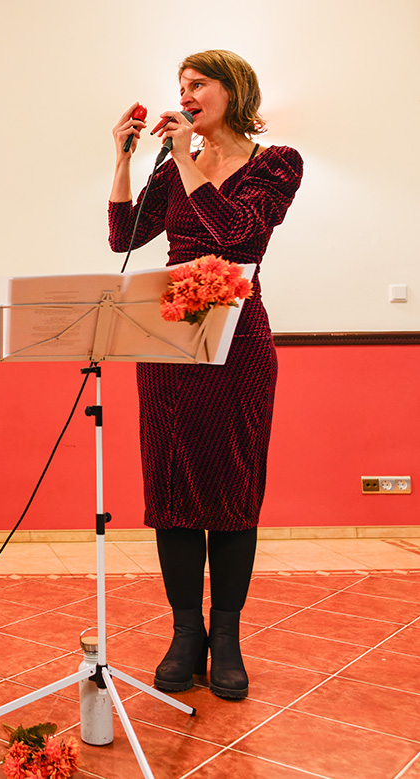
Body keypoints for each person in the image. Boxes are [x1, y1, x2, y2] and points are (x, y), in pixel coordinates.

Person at [108, 50, 303, 700]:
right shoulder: (171, 163)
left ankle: (227, 637)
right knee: (171, 488)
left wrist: (188, 157)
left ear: (232, 88)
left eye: (197, 83)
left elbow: (236, 231)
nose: (185, 93)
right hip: (166, 338)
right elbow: (122, 237)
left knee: (231, 489)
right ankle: (183, 633)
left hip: (238, 342)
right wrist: (125, 158)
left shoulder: (276, 163)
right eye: (180, 84)